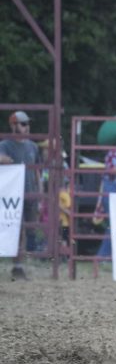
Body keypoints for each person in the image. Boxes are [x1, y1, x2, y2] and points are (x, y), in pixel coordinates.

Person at [0, 111, 42, 279]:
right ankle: (17, 265)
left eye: (27, 124)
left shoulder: (33, 146)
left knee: (27, 229)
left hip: (29, 192)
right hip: (11, 195)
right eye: (23, 124)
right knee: (14, 228)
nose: (27, 127)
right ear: (13, 126)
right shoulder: (5, 145)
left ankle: (20, 264)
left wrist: (40, 192)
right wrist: (3, 159)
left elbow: (37, 171)